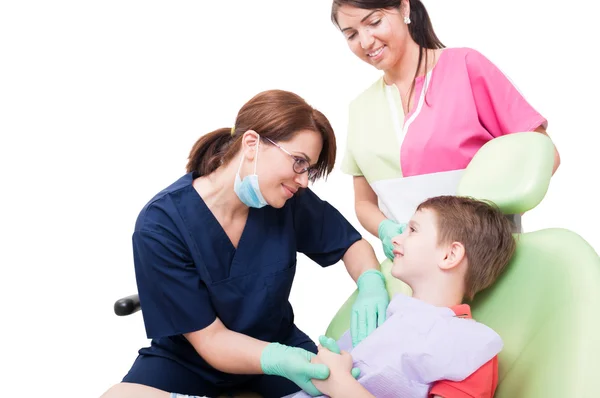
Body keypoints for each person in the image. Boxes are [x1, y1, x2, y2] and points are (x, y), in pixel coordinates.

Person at [100, 90, 390, 398]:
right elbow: (211, 341)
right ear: (252, 144)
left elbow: (350, 244)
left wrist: (371, 283)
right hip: (190, 361)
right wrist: (281, 360)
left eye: (310, 170)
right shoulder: (162, 223)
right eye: (299, 162)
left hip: (278, 345)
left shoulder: (286, 200)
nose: (304, 180)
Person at [330, 0, 561, 261]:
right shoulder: (360, 109)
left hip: (489, 262)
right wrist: (385, 228)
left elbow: (544, 156)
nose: (366, 41)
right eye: (351, 34)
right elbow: (364, 203)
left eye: (374, 22)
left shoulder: (465, 66)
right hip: (416, 276)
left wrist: (487, 225)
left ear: (404, 8)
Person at [286, 195, 517, 398]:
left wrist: (341, 385)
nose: (395, 238)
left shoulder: (471, 348)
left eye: (413, 230)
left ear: (450, 255)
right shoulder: (393, 318)